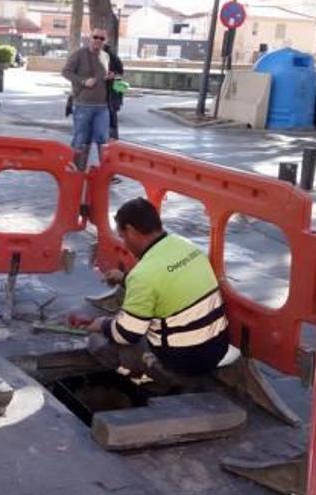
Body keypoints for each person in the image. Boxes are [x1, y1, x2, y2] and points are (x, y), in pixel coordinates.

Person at [87, 198, 231, 378]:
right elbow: (168, 282)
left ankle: (154, 380)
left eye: (123, 236)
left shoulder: (143, 274)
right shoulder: (185, 246)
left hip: (182, 359)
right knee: (148, 319)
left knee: (98, 342)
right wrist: (125, 279)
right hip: (216, 348)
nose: (124, 244)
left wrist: (102, 324)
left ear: (130, 230)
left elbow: (126, 335)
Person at [62, 27, 124, 170]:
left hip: (103, 106)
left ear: (105, 41)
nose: (98, 40)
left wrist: (112, 80)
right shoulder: (79, 54)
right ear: (90, 38)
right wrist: (83, 81)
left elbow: (119, 77)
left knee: (103, 139)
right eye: (95, 37)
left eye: (101, 38)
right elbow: (65, 72)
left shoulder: (108, 57)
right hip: (83, 105)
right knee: (81, 138)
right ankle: (76, 168)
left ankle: (106, 172)